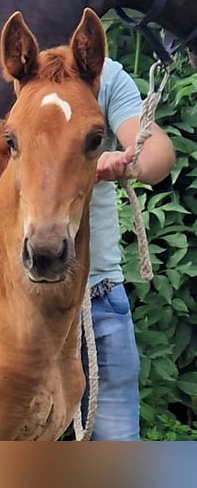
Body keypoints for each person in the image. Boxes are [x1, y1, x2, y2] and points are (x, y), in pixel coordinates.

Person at [82, 57, 176, 440]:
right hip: (3, 306)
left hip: (98, 297)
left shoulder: (102, 73)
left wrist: (130, 165)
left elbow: (157, 155)